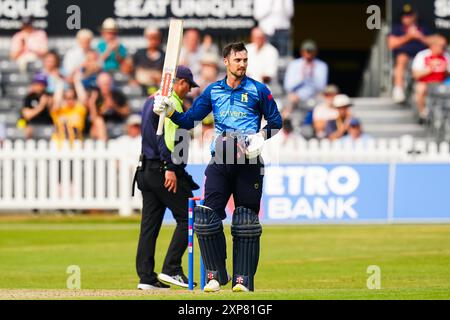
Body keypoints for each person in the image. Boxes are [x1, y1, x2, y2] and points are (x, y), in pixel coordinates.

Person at [154, 42, 282, 292]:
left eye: (245, 60)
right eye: (238, 60)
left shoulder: (258, 90)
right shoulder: (213, 91)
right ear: (226, 61)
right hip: (221, 159)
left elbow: (276, 121)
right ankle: (215, 274)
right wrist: (170, 112)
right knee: (205, 216)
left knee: (245, 221)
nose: (242, 64)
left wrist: (261, 136)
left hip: (249, 161)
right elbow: (189, 120)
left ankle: (242, 280)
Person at [134, 66, 201, 290]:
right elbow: (169, 138)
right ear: (180, 82)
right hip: (163, 170)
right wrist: (170, 167)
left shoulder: (150, 100)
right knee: (189, 217)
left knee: (149, 225)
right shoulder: (171, 103)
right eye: (188, 86)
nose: (188, 91)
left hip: (145, 169)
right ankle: (172, 268)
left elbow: (156, 135)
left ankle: (146, 277)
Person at [388, 4, 432, 103]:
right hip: (405, 57)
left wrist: (420, 36)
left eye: (409, 15)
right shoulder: (397, 28)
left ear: (414, 15)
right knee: (401, 58)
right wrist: (409, 36)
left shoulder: (423, 28)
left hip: (421, 58)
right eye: (404, 15)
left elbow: (435, 43)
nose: (406, 18)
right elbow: (391, 43)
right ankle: (398, 89)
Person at [283, 40, 328, 116]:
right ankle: (286, 124)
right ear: (302, 52)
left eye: (311, 51)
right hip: (296, 96)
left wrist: (312, 74)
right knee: (288, 101)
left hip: (315, 96)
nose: (309, 54)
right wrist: (301, 78)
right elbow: (287, 86)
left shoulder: (321, 65)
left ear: (315, 52)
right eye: (307, 51)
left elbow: (322, 87)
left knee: (326, 101)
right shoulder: (294, 64)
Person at [412, 35, 450, 123]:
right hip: (426, 83)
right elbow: (415, 74)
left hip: (442, 83)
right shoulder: (422, 55)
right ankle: (422, 113)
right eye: (442, 46)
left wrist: (446, 70)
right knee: (420, 88)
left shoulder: (447, 56)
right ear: (433, 45)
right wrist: (430, 69)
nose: (444, 48)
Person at [50, 72, 88, 144]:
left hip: (76, 144)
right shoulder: (59, 110)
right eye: (67, 98)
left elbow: (83, 99)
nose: (69, 100)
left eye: (72, 97)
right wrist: (60, 82)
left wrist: (77, 82)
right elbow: (57, 101)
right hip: (59, 144)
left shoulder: (79, 110)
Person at [133, 28, 165, 94]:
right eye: (150, 38)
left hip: (157, 87)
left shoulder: (164, 55)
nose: (153, 41)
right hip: (140, 86)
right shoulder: (139, 53)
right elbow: (130, 68)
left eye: (155, 38)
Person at [21, 74, 53, 139]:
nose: (39, 86)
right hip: (33, 126)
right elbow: (27, 115)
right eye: (37, 83)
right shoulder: (29, 97)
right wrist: (41, 106)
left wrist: (50, 104)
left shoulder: (50, 96)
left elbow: (54, 113)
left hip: (48, 126)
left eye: (42, 84)